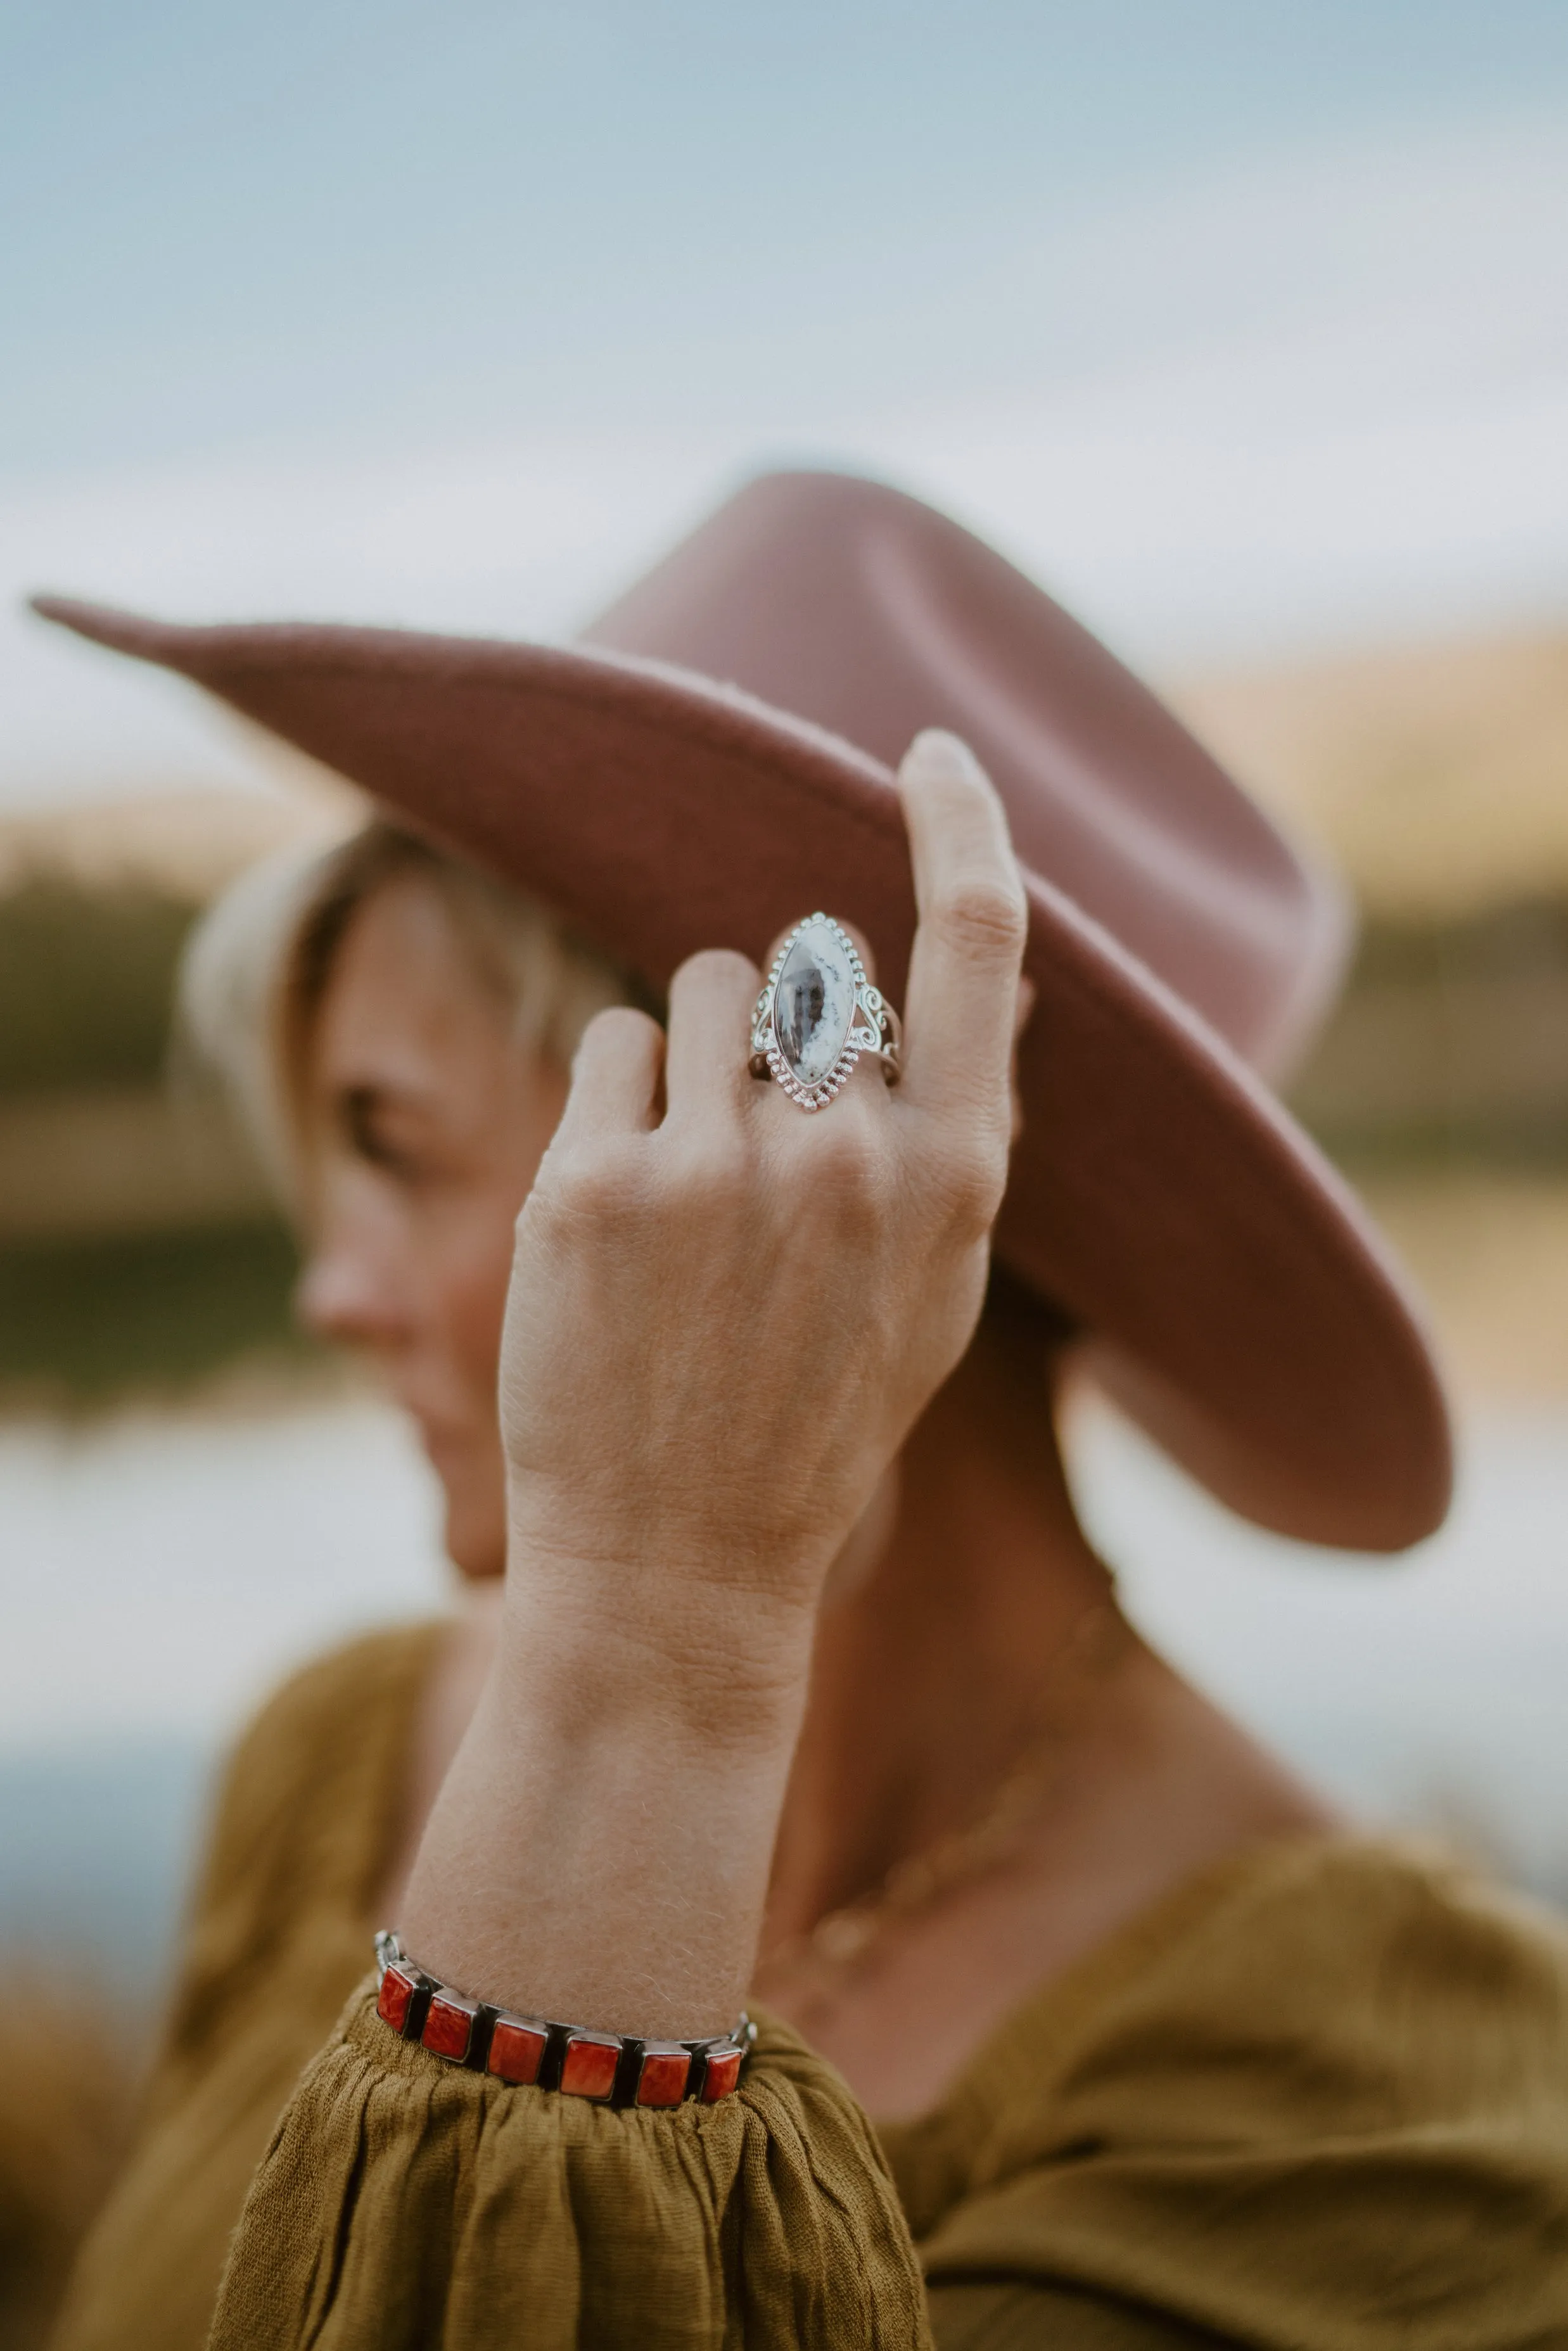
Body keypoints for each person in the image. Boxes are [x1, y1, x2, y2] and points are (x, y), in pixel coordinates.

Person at [34, 474, 1568, 2349]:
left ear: (804, 1159)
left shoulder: (1389, 2104)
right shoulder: (330, 1759)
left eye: (401, 1154)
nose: (327, 1290)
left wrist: (664, 1630)